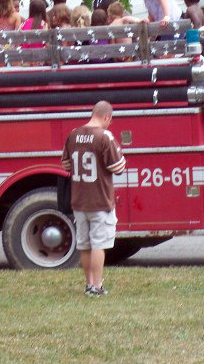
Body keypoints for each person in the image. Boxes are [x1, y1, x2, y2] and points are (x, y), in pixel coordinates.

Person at [60, 101, 127, 296]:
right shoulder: (104, 137)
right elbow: (118, 167)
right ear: (107, 117)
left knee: (85, 245)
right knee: (99, 245)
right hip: (100, 200)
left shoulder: (73, 134)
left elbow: (65, 165)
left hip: (79, 201)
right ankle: (97, 287)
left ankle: (88, 283)